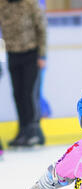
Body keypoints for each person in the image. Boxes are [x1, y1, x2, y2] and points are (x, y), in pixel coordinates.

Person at [0, 0, 46, 147]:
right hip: (12, 54)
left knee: (29, 93)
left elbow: (41, 28)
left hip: (31, 54)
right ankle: (22, 131)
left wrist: (42, 55)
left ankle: (33, 131)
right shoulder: (2, 5)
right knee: (17, 94)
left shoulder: (30, 3)